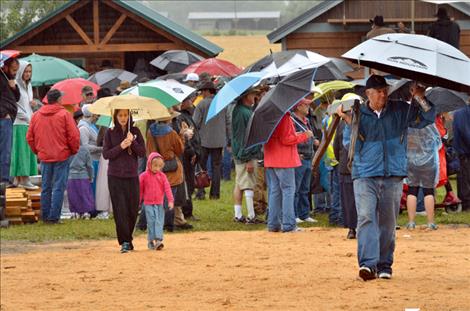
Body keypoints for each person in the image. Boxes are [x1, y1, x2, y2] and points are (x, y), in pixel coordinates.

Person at [338, 75, 435, 281]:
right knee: (365, 218)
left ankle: (384, 265)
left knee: (388, 223)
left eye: (385, 90)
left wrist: (420, 97)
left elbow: (427, 118)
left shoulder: (400, 109)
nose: (383, 95)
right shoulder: (356, 113)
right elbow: (349, 144)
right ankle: (367, 265)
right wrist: (350, 125)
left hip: (393, 174)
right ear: (368, 94)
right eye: (379, 91)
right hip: (365, 174)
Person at [27, 89, 80, 224]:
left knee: (46, 187)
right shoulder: (65, 114)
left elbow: (29, 137)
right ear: (59, 100)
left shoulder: (36, 115)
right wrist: (73, 150)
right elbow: (73, 136)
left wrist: (38, 151)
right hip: (61, 155)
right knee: (58, 187)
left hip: (45, 156)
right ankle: (54, 217)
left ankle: (45, 216)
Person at [103, 109, 146, 253]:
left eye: (125, 115)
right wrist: (121, 146)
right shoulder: (110, 132)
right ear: (115, 116)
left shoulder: (135, 131)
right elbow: (106, 154)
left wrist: (132, 142)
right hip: (115, 176)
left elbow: (142, 152)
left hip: (132, 175)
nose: (123, 118)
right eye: (120, 115)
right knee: (120, 209)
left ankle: (128, 238)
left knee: (132, 209)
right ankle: (125, 241)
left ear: (129, 116)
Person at [264, 112, 313, 233]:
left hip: (271, 158)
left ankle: (273, 224)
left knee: (275, 191)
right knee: (288, 190)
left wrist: (296, 134)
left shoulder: (267, 116)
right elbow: (286, 139)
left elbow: (282, 136)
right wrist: (304, 136)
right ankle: (289, 224)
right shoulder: (284, 117)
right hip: (284, 159)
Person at [147, 110, 193, 231]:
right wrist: (182, 136)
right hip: (171, 167)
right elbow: (179, 149)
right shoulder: (171, 133)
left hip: (155, 166)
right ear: (167, 119)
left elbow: (149, 150)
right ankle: (169, 224)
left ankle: (146, 223)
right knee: (170, 196)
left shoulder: (150, 132)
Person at [193, 81, 231, 200]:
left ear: (208, 91)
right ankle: (215, 194)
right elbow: (228, 123)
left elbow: (195, 123)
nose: (202, 94)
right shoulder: (223, 104)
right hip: (219, 140)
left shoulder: (201, 104)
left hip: (203, 140)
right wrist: (228, 139)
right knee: (216, 168)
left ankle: (200, 192)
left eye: (203, 91)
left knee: (201, 167)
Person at [231, 88, 263, 224]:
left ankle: (238, 215)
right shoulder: (243, 112)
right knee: (248, 184)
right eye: (253, 94)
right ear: (245, 96)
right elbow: (244, 137)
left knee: (240, 184)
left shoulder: (241, 110)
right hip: (246, 154)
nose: (255, 97)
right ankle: (251, 215)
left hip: (241, 153)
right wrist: (248, 157)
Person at [405, 122, 441, 230]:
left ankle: (411, 222)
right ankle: (430, 223)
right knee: (428, 191)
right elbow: (438, 142)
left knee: (412, 190)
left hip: (411, 160)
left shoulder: (408, 123)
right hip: (429, 162)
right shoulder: (429, 123)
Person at [10, 60, 38, 190]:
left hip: (28, 123)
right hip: (19, 123)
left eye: (30, 71)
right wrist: (27, 117)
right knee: (21, 151)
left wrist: (33, 105)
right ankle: (24, 178)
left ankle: (19, 179)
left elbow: (27, 105)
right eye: (25, 71)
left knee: (25, 151)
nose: (28, 74)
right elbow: (15, 105)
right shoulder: (15, 85)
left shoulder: (29, 85)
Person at [291, 98, 318, 224]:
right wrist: (296, 153)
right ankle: (295, 213)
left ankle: (304, 213)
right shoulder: (292, 121)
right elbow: (292, 138)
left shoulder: (306, 121)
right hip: (300, 157)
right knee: (296, 188)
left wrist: (314, 140)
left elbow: (309, 135)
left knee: (305, 188)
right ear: (298, 107)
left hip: (308, 157)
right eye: (305, 104)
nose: (308, 106)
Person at [139, 152, 174, 251]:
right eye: (155, 166)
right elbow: (140, 190)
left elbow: (167, 188)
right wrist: (138, 202)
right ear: (149, 164)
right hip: (148, 204)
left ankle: (158, 240)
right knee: (151, 222)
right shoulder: (143, 176)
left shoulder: (162, 176)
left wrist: (170, 200)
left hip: (159, 204)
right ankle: (151, 240)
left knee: (159, 221)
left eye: (159, 166)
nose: (157, 168)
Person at [0, 57, 20, 188]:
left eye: (16, 70)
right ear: (5, 67)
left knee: (6, 151)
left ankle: (5, 179)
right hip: (4, 117)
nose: (14, 73)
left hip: (8, 116)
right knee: (5, 151)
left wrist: (14, 87)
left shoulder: (8, 79)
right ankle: (4, 180)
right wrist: (4, 113)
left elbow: (16, 98)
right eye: (13, 70)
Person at [67, 136, 95, 219]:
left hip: (71, 177)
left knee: (73, 195)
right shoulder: (85, 150)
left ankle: (75, 212)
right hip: (83, 176)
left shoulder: (68, 150)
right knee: (85, 195)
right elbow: (89, 165)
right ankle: (86, 212)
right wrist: (91, 176)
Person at [453, 103, 470, 212]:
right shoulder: (462, 112)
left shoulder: (459, 112)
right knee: (465, 179)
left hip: (463, 150)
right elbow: (466, 133)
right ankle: (466, 204)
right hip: (464, 151)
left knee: (464, 178)